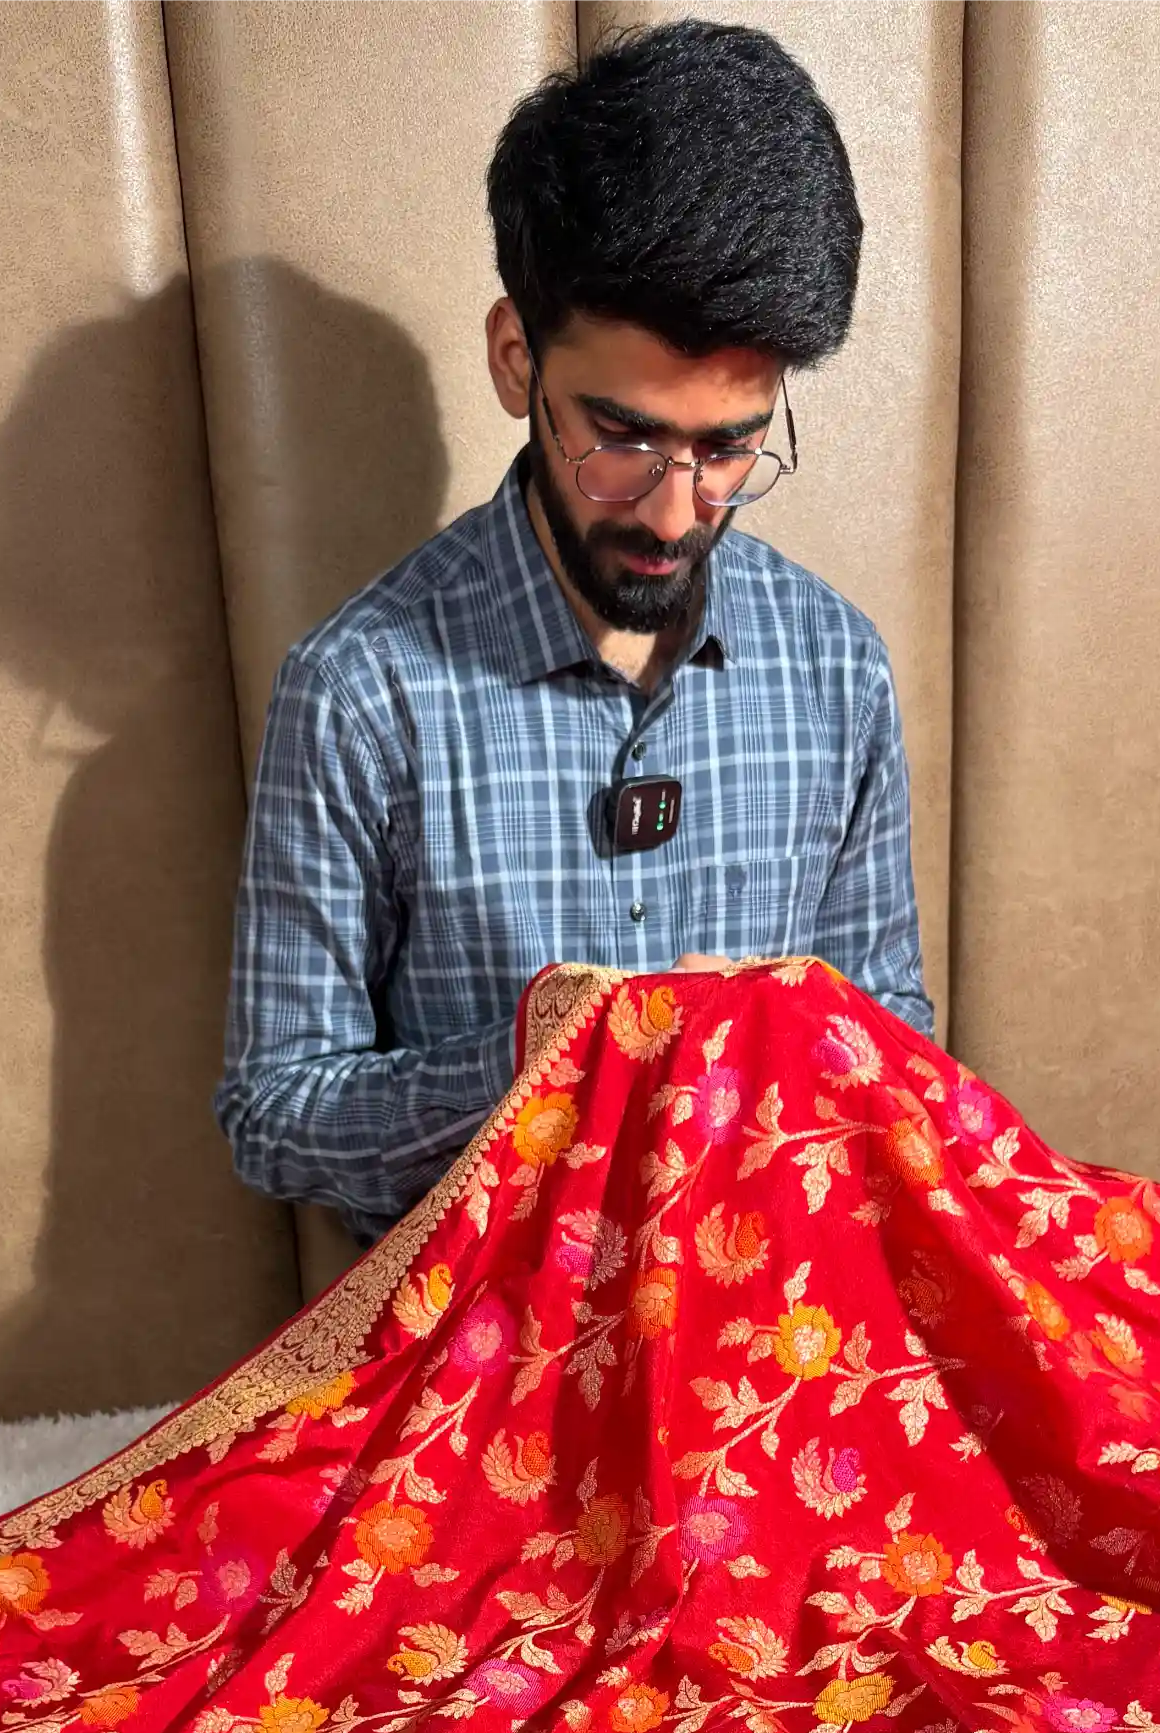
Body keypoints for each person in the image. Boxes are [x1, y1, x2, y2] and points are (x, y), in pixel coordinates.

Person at [215, 18, 931, 1243]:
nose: (674, 507)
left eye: (728, 446)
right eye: (623, 435)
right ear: (515, 362)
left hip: (771, 1322)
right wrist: (552, 1064)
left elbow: (888, 1036)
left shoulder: (832, 665)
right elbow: (275, 1113)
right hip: (485, 1351)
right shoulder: (359, 691)